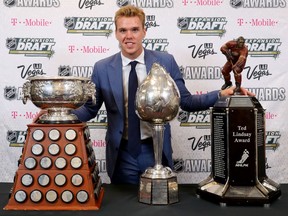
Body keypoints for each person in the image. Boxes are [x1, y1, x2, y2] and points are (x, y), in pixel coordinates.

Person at [73, 5, 254, 184]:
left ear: (144, 31)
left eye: (135, 29)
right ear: (116, 33)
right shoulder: (102, 68)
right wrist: (59, 114)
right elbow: (90, 108)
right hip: (122, 155)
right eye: (123, 30)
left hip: (155, 150)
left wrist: (222, 94)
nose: (128, 36)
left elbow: (186, 101)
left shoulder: (165, 61)